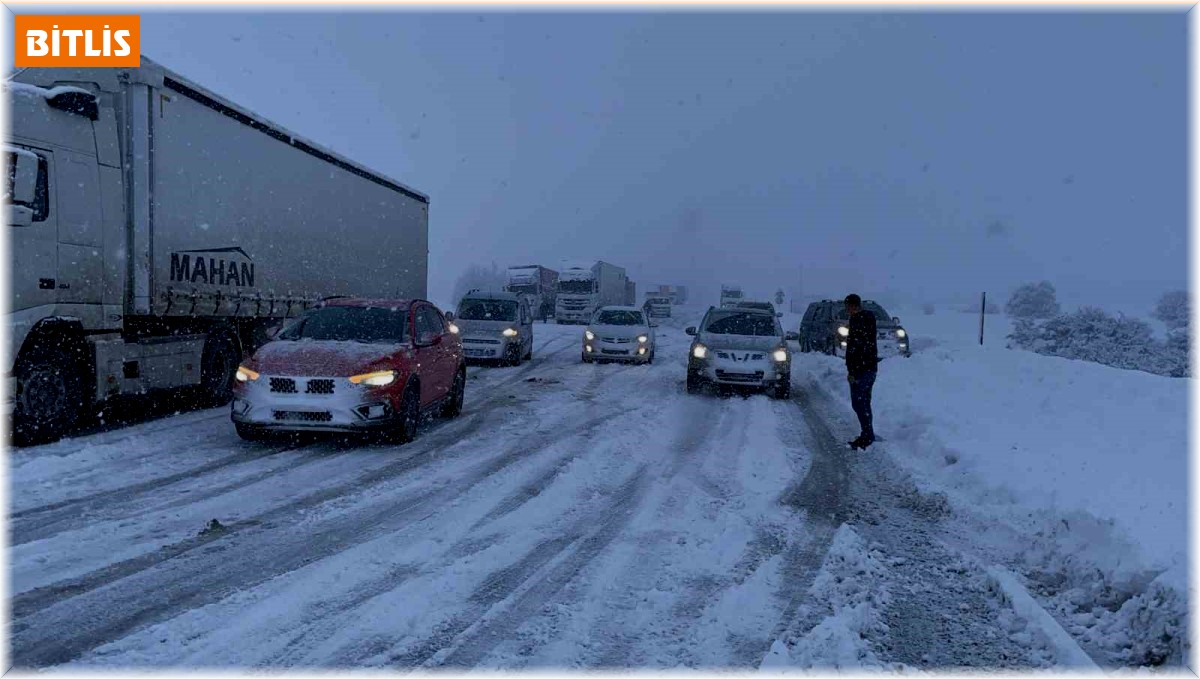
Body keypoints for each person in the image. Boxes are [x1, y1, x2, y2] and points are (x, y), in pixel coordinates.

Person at [844, 294, 879, 450]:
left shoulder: (860, 320)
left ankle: (867, 435)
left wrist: (853, 369)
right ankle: (867, 433)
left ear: (854, 306)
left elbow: (856, 347)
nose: (848, 310)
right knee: (863, 401)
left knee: (859, 402)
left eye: (848, 307)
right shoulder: (863, 319)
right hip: (866, 367)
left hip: (862, 369)